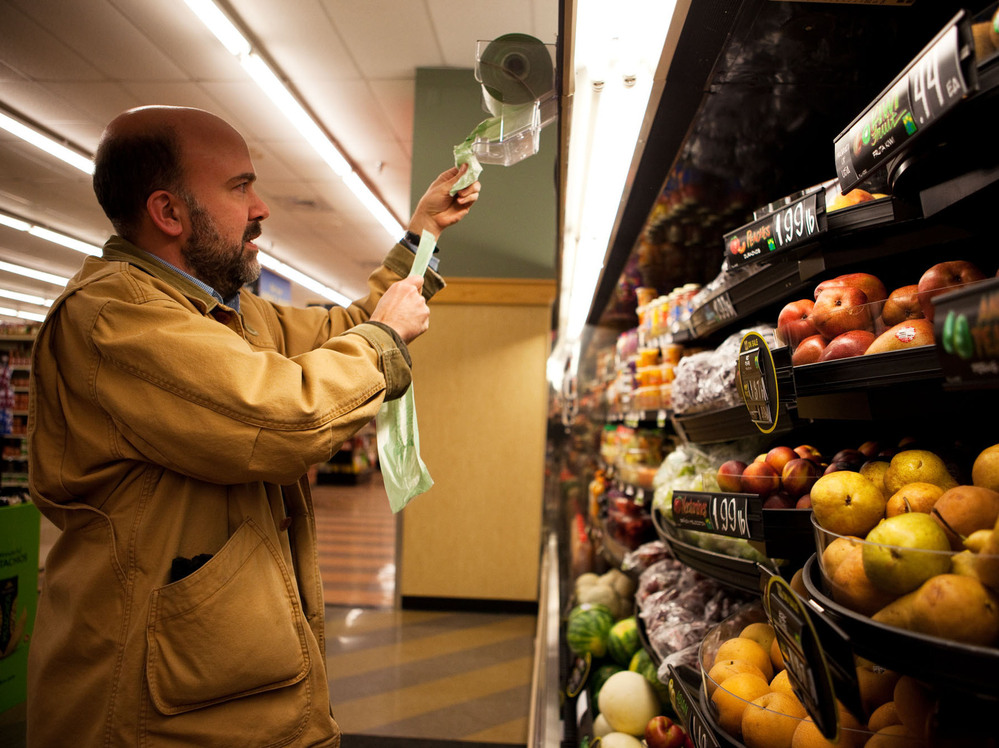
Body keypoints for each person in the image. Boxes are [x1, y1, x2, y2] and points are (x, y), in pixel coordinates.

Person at [26, 105, 480, 747]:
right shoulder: (114, 318)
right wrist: (385, 339)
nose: (262, 206)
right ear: (170, 213)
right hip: (149, 707)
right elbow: (282, 417)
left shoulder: (220, 311)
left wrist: (420, 238)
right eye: (240, 187)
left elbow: (340, 331)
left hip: (215, 687)